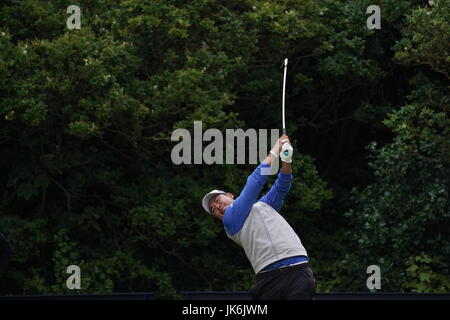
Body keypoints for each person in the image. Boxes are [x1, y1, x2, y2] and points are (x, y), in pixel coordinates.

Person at [202, 135, 316, 300]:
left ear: (230, 195)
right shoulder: (231, 221)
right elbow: (255, 181)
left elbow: (283, 183)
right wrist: (276, 149)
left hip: (298, 270)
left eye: (218, 200)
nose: (217, 207)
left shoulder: (264, 205)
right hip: (270, 279)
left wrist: (286, 159)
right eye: (213, 209)